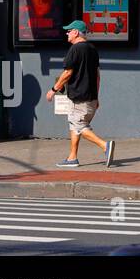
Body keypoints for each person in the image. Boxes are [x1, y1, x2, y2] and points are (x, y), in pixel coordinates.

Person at [46, 20, 115, 168]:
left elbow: (67, 73)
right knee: (74, 125)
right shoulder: (92, 49)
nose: (67, 33)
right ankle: (72, 158)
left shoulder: (75, 49)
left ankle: (105, 145)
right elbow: (97, 76)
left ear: (76, 32)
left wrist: (53, 90)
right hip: (90, 97)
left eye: (69, 31)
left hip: (79, 98)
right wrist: (96, 97)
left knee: (80, 126)